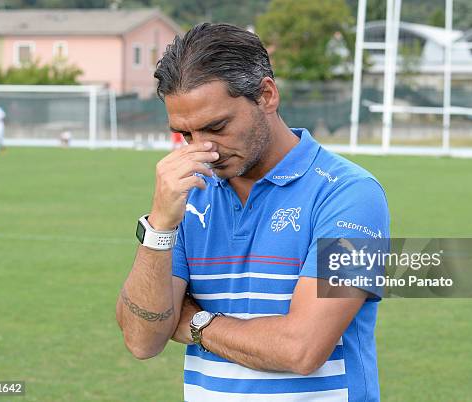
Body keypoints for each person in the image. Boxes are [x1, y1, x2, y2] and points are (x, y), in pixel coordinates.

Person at [116, 23, 389, 401]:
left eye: (217, 126)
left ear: (266, 95)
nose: (204, 149)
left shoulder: (350, 193)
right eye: (186, 134)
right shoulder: (188, 197)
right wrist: (160, 224)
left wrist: (195, 321)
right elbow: (142, 340)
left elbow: (302, 349)